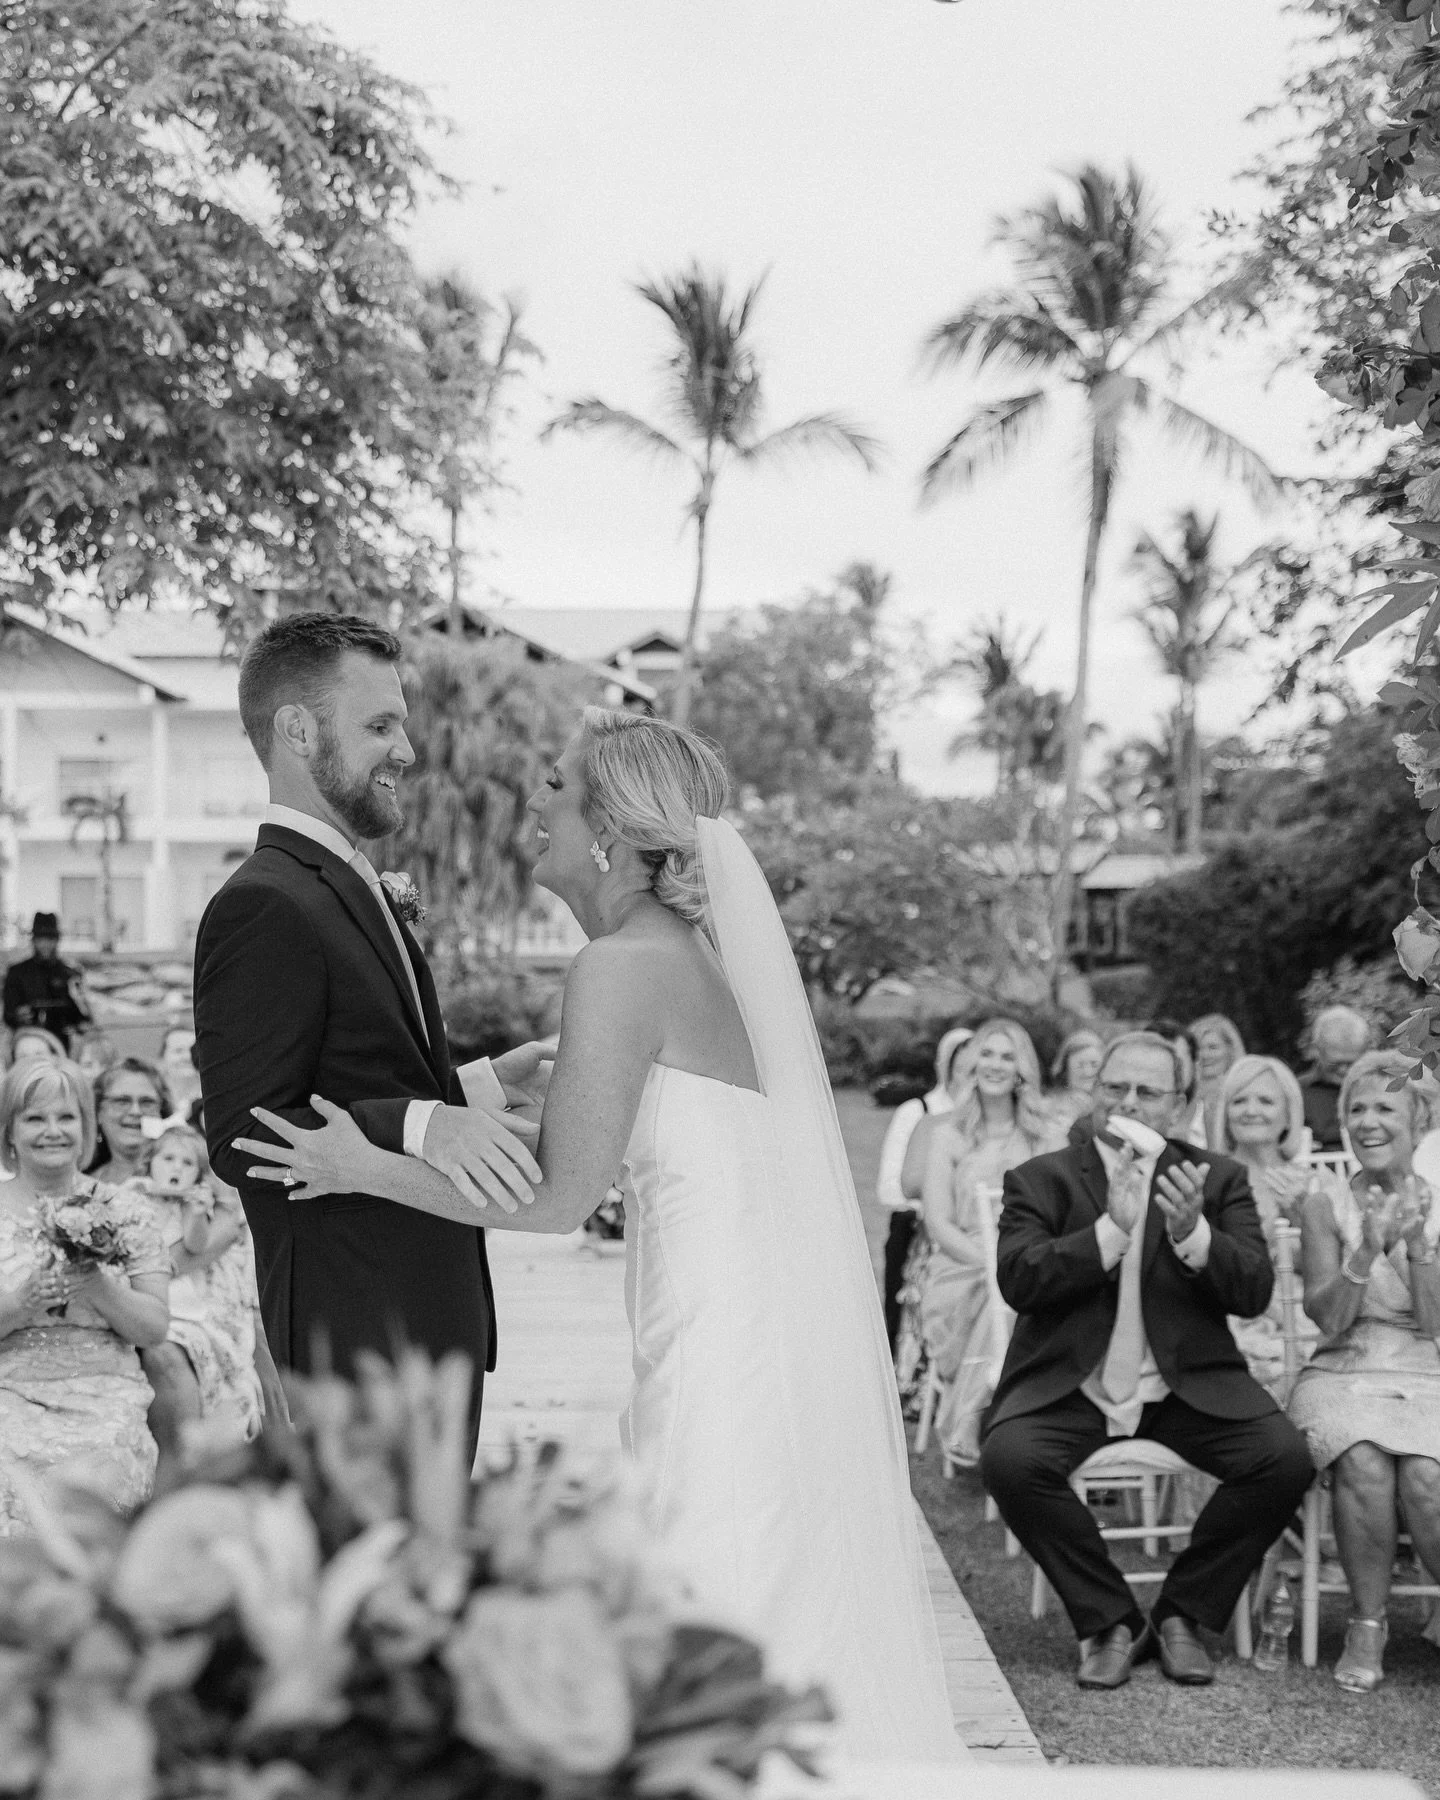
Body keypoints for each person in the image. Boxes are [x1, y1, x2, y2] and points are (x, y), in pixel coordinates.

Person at [233, 705, 968, 1764]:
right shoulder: (680, 958)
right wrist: (481, 1096)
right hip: (745, 1320)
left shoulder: (621, 966)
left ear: (613, 831)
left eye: (557, 783)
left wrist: (361, 1166)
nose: (535, 799)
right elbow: (617, 1139)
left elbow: (554, 1198)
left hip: (721, 1342)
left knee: (717, 1574)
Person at [194, 614, 549, 1458]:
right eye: (380, 726)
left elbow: (362, 1079)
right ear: (298, 730)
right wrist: (424, 1124)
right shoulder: (264, 903)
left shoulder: (344, 884)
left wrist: (477, 1087)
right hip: (353, 1338)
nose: (408, 751)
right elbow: (244, 1136)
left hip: (426, 1325)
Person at [978, 1031, 1314, 1691]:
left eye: (1147, 1091)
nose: (1128, 1101)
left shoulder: (1214, 1178)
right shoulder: (1042, 1178)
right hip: (1072, 1387)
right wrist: (1110, 1230)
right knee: (1010, 1461)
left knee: (1282, 1460)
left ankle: (1184, 1613)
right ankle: (1110, 1621)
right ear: (1094, 1092)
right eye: (1115, 1087)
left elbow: (1253, 1291)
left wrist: (1193, 1233)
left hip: (1183, 1389)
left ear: (1180, 1105)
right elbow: (1019, 1280)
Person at [1288, 1050, 1440, 1692]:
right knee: (1363, 1457)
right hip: (1344, 1366)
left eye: (1386, 1107)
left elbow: (1436, 1325)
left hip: (1430, 1367)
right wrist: (1367, 1249)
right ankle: (1366, 1624)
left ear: (1420, 1119)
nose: (1368, 1122)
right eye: (1357, 1108)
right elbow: (1328, 1319)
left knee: (1428, 1473)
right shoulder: (1324, 1204)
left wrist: (1417, 1243)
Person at [0, 1058, 169, 1530]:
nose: (52, 1131)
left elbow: (154, 1328)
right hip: (8, 1389)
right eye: (35, 1118)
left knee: (101, 1468)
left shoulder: (128, 1209)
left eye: (66, 1117)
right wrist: (21, 1303)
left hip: (107, 1391)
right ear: (9, 1131)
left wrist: (98, 1286)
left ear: (87, 1127)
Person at [919, 1020, 1059, 1468]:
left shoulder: (1046, 1136)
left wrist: (1015, 1262)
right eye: (987, 1053)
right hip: (962, 1262)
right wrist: (992, 1262)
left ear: (1022, 1070)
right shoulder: (948, 1135)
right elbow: (939, 1222)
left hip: (1031, 1256)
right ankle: (979, 1412)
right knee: (1004, 1290)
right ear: (972, 1063)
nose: (995, 1065)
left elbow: (1059, 1213)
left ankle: (971, 1414)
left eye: (1007, 1056)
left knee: (1017, 1288)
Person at [120, 1124, 267, 1474]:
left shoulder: (195, 1206)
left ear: (199, 1174)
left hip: (179, 1302)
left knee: (167, 1352)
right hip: (137, 1295)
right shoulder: (131, 1195)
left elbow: (196, 1245)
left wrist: (197, 1213)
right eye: (168, 1159)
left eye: (186, 1163)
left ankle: (189, 1455)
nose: (175, 1168)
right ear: (150, 1163)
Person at [1215, 1054, 1318, 1398]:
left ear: (1289, 1113)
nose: (1251, 1110)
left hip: (1302, 1322)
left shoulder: (1313, 1182)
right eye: (1239, 1101)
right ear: (1225, 1113)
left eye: (1265, 1100)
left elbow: (1327, 1273)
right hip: (1231, 1323)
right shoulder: (1209, 1179)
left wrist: (1301, 1218)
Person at [875, 1025, 972, 1351]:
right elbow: (890, 1188)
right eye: (962, 1068)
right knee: (904, 1324)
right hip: (913, 1231)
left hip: (968, 1235)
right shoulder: (918, 1112)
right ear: (945, 1066)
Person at [2, 913, 91, 1053]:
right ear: (33, 940)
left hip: (63, 1043)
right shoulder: (17, 972)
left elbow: (83, 1015)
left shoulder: (69, 973)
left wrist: (77, 1021)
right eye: (40, 939)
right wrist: (19, 1016)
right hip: (27, 1040)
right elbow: (8, 1015)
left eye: (50, 939)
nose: (45, 944)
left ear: (57, 940)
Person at [1299, 1005, 1372, 1152]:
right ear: (1317, 1050)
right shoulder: (1297, 1092)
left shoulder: (1381, 1087)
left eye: (1351, 1063)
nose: (1343, 1070)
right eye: (1335, 1063)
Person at [89, 1059, 173, 1184]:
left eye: (147, 1102)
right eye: (122, 1101)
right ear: (98, 1112)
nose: (135, 1111)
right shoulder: (83, 1185)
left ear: (162, 1111)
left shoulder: (186, 1175)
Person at [1190, 1013, 1245, 1149]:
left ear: (1230, 1050)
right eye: (1198, 1049)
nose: (1204, 1055)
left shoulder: (1244, 1096)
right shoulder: (1183, 1098)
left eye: (1212, 1047)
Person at [1049, 1028, 1104, 1131]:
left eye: (1094, 1064)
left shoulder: (1110, 1108)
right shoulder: (1049, 1110)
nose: (1087, 1072)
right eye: (1080, 1065)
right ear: (1065, 1069)